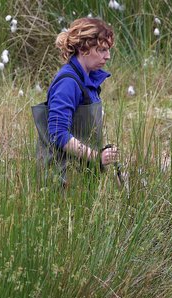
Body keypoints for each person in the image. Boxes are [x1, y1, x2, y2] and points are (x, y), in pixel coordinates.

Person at [32, 17, 120, 188]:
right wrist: (96, 157)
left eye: (108, 50)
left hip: (79, 175)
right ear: (83, 48)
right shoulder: (68, 82)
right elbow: (58, 133)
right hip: (62, 178)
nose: (107, 56)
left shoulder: (88, 79)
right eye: (101, 49)